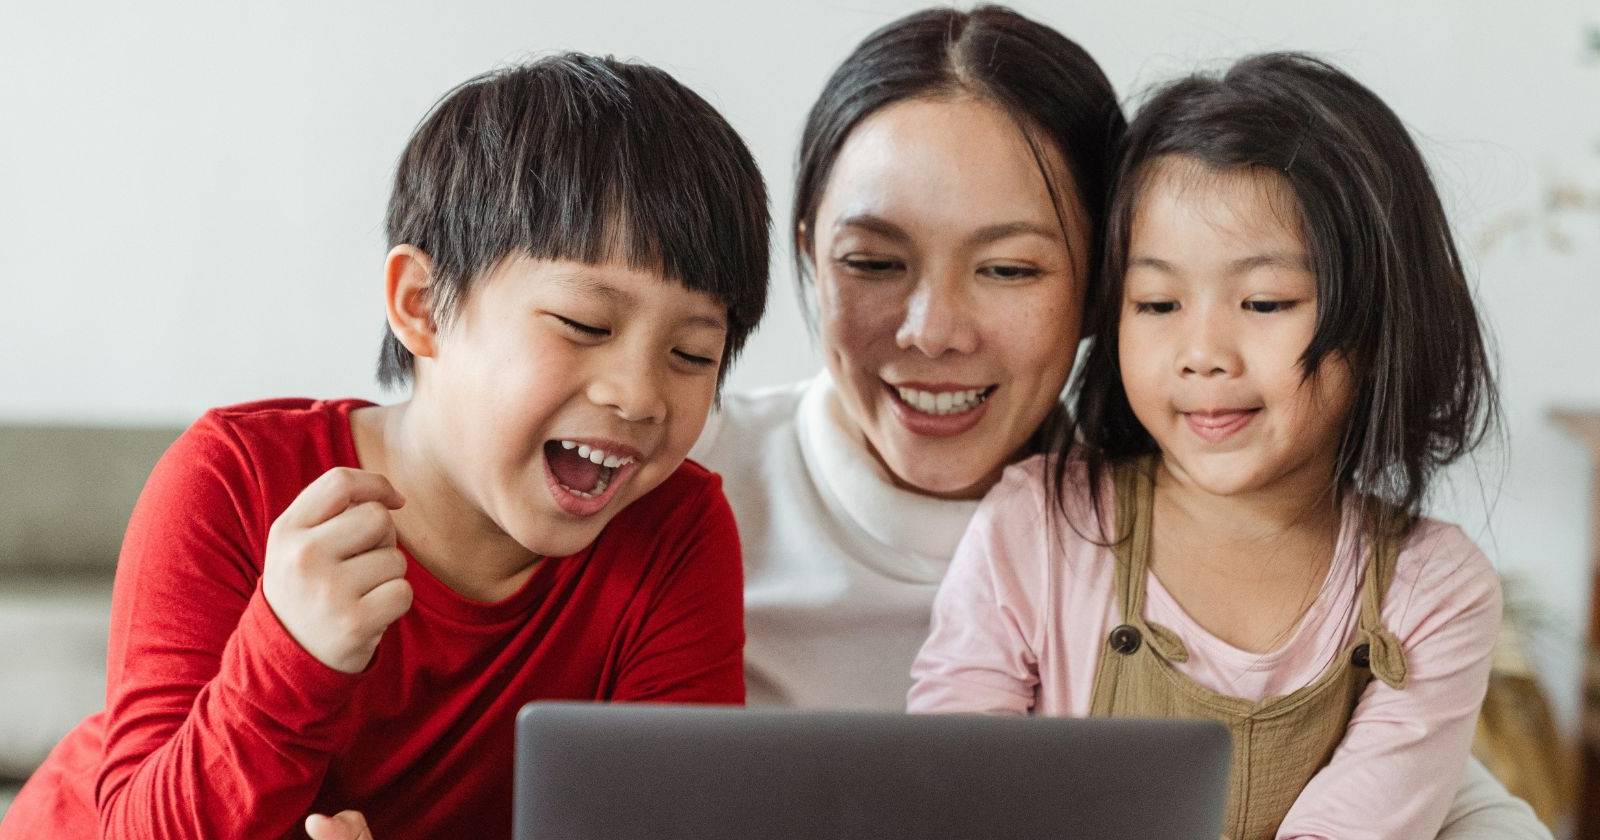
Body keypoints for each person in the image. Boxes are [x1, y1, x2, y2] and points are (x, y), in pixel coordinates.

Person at [694, 6, 1552, 839]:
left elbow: (1411, 785)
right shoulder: (669, 482)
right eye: (873, 261)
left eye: (1007, 267)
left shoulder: (1380, 579)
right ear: (807, 252)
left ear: (1095, 290)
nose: (934, 331)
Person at [0, 52, 768, 840]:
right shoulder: (235, 478)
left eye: (691, 355)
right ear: (421, 306)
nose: (638, 395)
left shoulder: (676, 536)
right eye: (585, 325)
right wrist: (290, 655)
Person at [909, 52, 1503, 840]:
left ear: (1381, 317)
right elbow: (947, 796)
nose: (1203, 353)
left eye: (1264, 301)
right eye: (1156, 302)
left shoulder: (1433, 591)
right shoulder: (1038, 528)